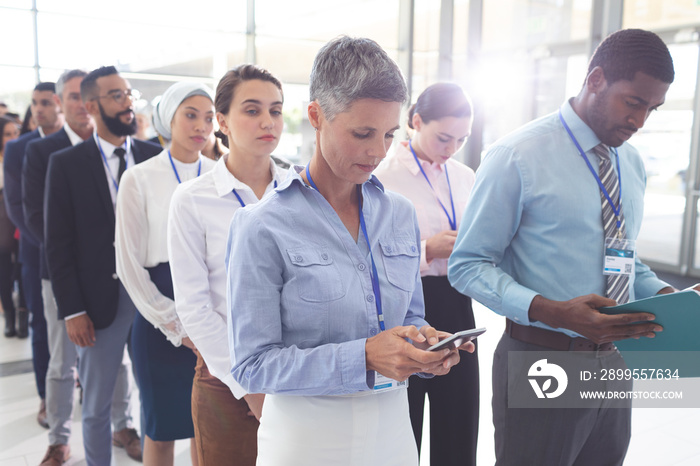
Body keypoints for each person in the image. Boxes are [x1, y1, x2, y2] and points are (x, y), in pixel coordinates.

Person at [226, 36, 474, 466]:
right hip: (307, 439)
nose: (377, 151)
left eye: (389, 134)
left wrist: (425, 343)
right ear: (316, 116)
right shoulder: (261, 225)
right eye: (362, 133)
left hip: (394, 431)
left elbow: (410, 315)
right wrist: (362, 356)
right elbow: (252, 366)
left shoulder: (399, 213)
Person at [448, 29, 676, 466]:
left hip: (614, 362)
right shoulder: (516, 155)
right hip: (542, 359)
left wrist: (671, 298)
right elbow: (468, 265)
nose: (640, 121)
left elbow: (623, 256)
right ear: (595, 80)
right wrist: (551, 310)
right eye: (633, 102)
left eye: (652, 108)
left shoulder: (631, 162)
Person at [167, 64, 288, 466]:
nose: (268, 121)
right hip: (225, 377)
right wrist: (248, 386)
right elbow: (194, 307)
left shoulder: (299, 190)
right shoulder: (192, 199)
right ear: (222, 121)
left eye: (276, 110)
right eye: (252, 110)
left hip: (295, 369)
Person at [44, 66, 161, 466]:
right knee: (95, 404)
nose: (127, 103)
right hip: (99, 300)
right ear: (91, 106)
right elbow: (57, 247)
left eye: (128, 94)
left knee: (156, 393)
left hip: (151, 296)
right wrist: (73, 310)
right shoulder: (66, 164)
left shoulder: (154, 156)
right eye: (116, 96)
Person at [373, 82, 479, 466]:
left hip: (457, 300)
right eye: (444, 137)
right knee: (406, 415)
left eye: (461, 140)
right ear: (415, 121)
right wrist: (427, 250)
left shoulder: (465, 176)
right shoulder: (383, 176)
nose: (450, 149)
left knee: (460, 416)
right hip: (405, 300)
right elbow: (372, 253)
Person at [115, 81, 216, 466]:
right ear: (168, 119)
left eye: (208, 117)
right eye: (190, 115)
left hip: (212, 307)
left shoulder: (219, 174)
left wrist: (207, 323)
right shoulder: (138, 178)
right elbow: (129, 266)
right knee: (161, 427)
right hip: (160, 314)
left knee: (207, 425)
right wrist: (177, 325)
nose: (200, 126)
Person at [3, 82, 61, 429]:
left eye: (44, 103)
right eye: (34, 103)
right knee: (41, 325)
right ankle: (45, 397)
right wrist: (54, 245)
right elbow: (17, 207)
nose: (37, 109)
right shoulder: (19, 148)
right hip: (36, 251)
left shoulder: (81, 143)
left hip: (80, 255)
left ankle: (78, 382)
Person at [0, 116, 20, 337]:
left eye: (15, 133)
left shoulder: (23, 157)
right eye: (7, 134)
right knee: (4, 276)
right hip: (3, 231)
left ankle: (22, 318)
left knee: (22, 277)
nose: (13, 138)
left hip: (20, 230)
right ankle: (10, 319)